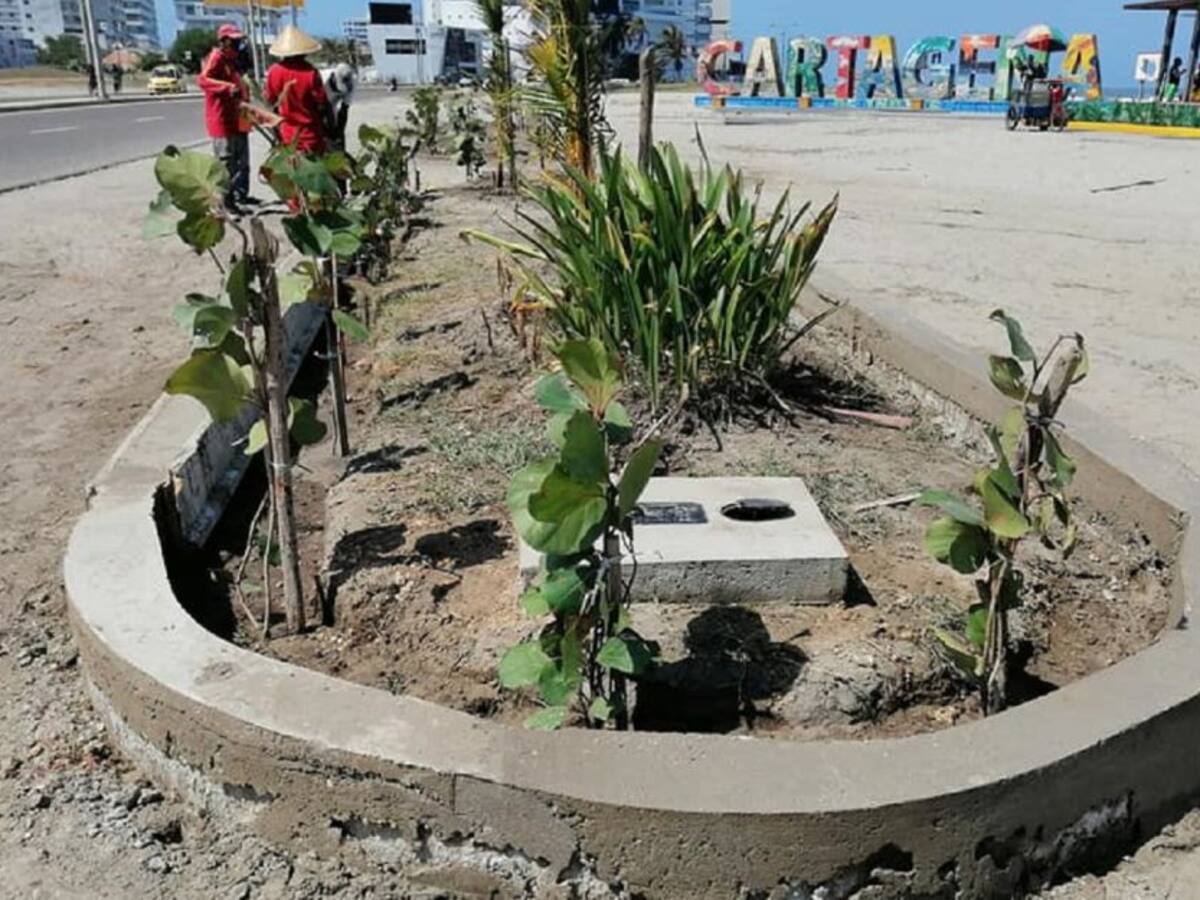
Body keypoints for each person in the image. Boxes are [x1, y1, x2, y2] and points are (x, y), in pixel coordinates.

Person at [197, 23, 252, 209]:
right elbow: (203, 80)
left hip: (238, 117)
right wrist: (227, 88)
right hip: (222, 119)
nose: (237, 45)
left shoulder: (232, 60)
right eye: (234, 41)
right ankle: (227, 203)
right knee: (226, 162)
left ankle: (239, 195)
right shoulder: (216, 57)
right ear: (224, 41)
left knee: (241, 160)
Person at [264, 26, 331, 155]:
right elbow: (321, 103)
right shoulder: (310, 72)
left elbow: (270, 101)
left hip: (287, 135)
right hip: (310, 135)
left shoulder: (274, 71)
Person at [323, 63, 356, 151]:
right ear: (334, 78)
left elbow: (344, 109)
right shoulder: (322, 79)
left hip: (333, 106)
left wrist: (339, 133)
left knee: (338, 140)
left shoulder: (352, 83)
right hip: (319, 104)